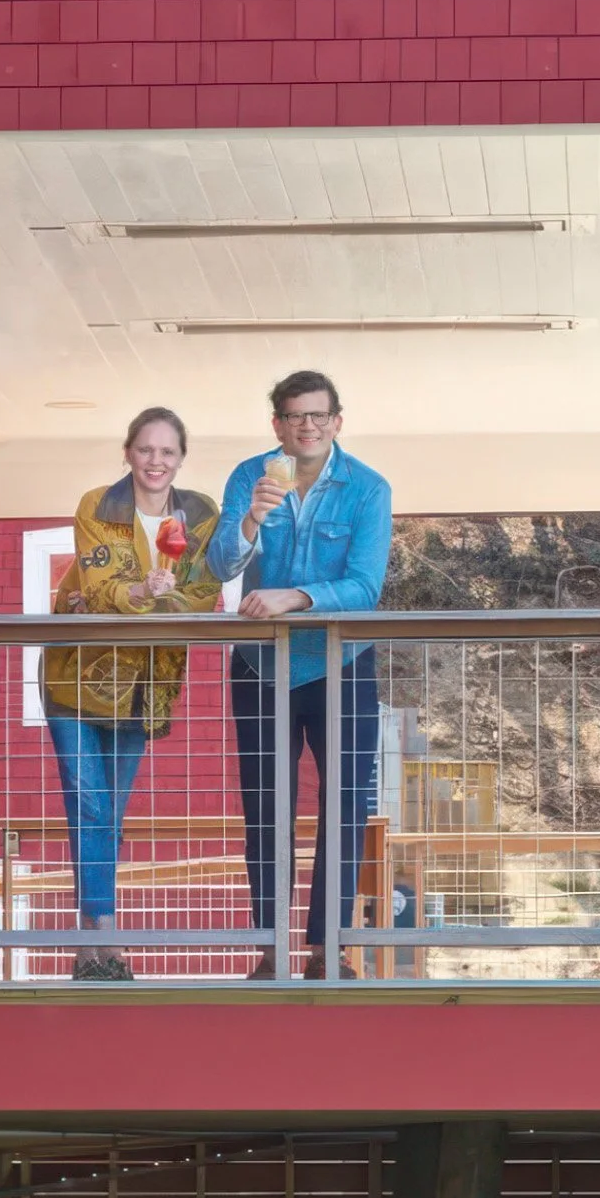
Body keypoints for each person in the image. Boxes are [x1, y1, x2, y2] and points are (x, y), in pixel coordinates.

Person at [208, 370, 392, 979]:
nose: (306, 426)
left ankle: (326, 946)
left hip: (342, 662)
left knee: (345, 806)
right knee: (267, 807)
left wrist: (297, 596)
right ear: (278, 425)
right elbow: (220, 565)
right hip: (262, 663)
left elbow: (366, 587)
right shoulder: (250, 477)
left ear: (337, 421)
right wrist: (251, 520)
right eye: (294, 417)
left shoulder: (367, 488)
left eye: (318, 416)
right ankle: (269, 946)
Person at [42, 408, 221, 979]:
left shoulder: (200, 515)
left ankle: (91, 944)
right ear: (128, 452)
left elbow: (203, 593)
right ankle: (103, 940)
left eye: (168, 452)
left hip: (145, 688)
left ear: (181, 459)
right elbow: (100, 588)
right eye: (146, 449)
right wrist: (145, 590)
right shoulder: (99, 506)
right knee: (89, 806)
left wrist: (163, 597)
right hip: (77, 679)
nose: (156, 461)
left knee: (109, 816)